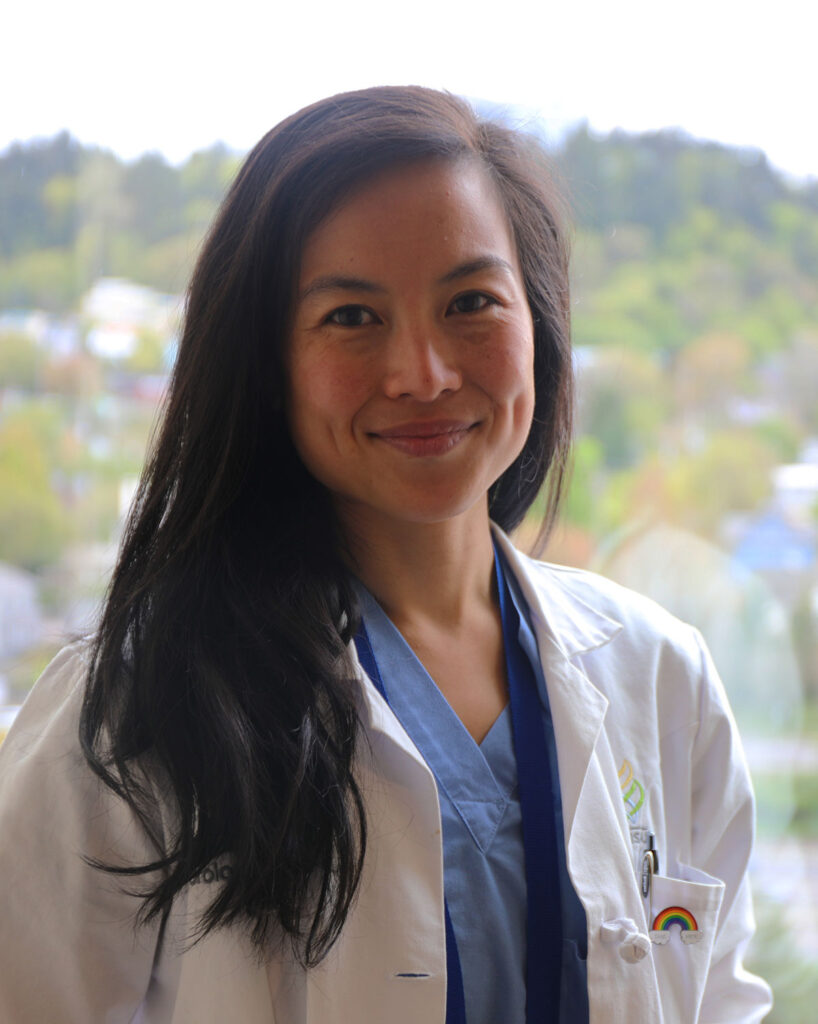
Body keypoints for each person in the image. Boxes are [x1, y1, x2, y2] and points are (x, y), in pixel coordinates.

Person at [0, 87, 771, 1023]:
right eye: (352, 318)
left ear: (542, 325)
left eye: (471, 302)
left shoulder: (661, 679)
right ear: (267, 364)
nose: (424, 375)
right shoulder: (127, 716)